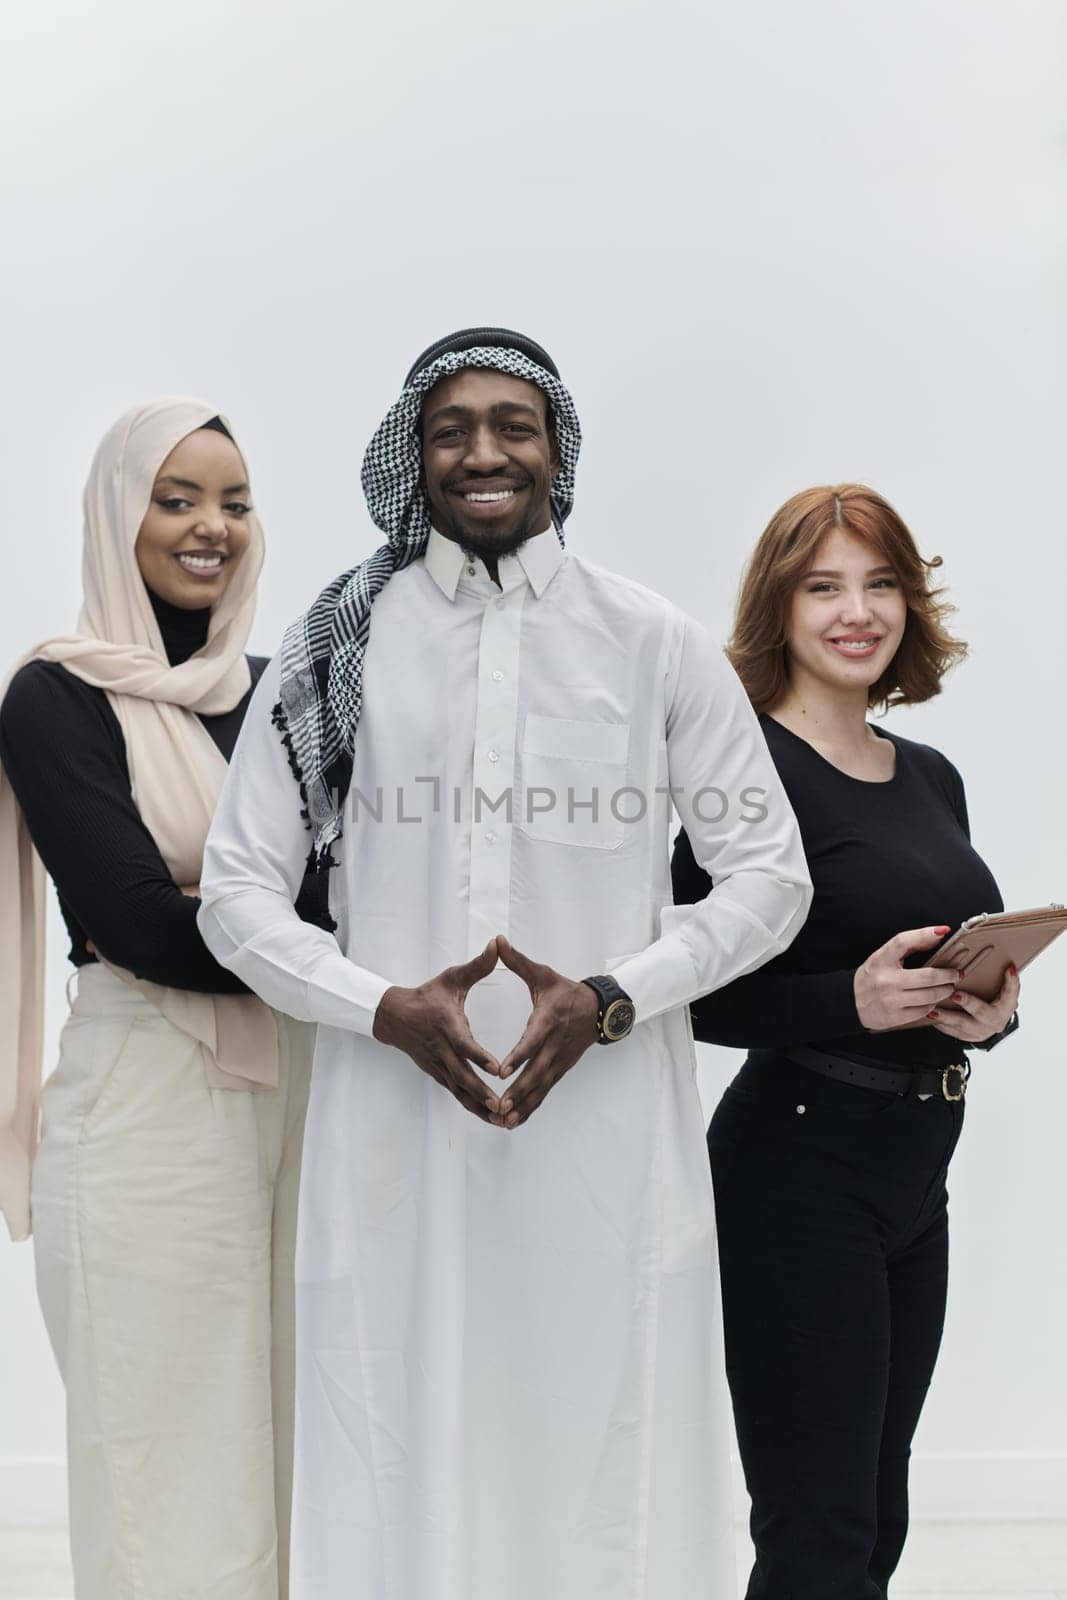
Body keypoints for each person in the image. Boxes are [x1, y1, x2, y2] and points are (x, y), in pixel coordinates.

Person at [196, 327, 813, 1599]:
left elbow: (771, 876)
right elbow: (237, 894)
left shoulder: (651, 641)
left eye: (512, 427)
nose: (482, 453)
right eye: (450, 429)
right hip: (389, 1129)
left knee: (602, 1435)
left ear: (557, 452)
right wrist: (377, 1007)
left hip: (603, 1134)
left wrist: (611, 995)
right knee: (388, 1436)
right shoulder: (339, 641)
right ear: (411, 456)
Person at [671, 484, 1020, 1600]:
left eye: (878, 584)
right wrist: (845, 1004)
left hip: (916, 1168)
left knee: (874, 1513)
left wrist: (990, 1011)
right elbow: (678, 991)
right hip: (795, 1166)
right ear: (778, 605)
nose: (855, 611)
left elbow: (929, 966)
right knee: (817, 1526)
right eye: (822, 586)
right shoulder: (741, 770)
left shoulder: (928, 775)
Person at [0, 399, 321, 1600]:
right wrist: (280, 914)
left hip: (298, 1091)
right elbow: (138, 924)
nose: (211, 526)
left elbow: (348, 888)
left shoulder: (281, 691)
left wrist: (225, 900)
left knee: (295, 1441)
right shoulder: (56, 695)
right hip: (144, 1103)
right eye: (175, 497)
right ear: (115, 513)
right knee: (162, 1466)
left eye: (233, 501)